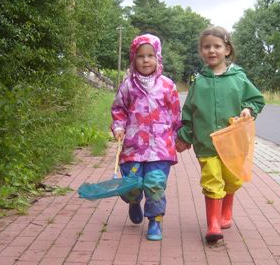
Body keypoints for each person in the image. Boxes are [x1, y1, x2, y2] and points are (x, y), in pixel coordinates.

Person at [176, 26, 265, 243]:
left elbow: (256, 99)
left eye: (217, 46)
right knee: (212, 180)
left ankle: (227, 207)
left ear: (227, 50)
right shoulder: (199, 81)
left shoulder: (239, 78)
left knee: (232, 180)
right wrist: (185, 136)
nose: (212, 50)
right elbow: (189, 112)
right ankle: (213, 225)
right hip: (206, 143)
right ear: (201, 51)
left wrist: (248, 109)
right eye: (206, 47)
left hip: (233, 143)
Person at [111, 33, 182, 241]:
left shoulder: (167, 85)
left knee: (155, 184)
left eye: (150, 55)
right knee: (132, 184)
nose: (145, 60)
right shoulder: (128, 86)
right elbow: (119, 109)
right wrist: (118, 127)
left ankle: (155, 221)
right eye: (140, 56)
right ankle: (134, 201)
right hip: (133, 146)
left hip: (160, 147)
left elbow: (175, 113)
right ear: (133, 58)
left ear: (158, 57)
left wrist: (178, 137)